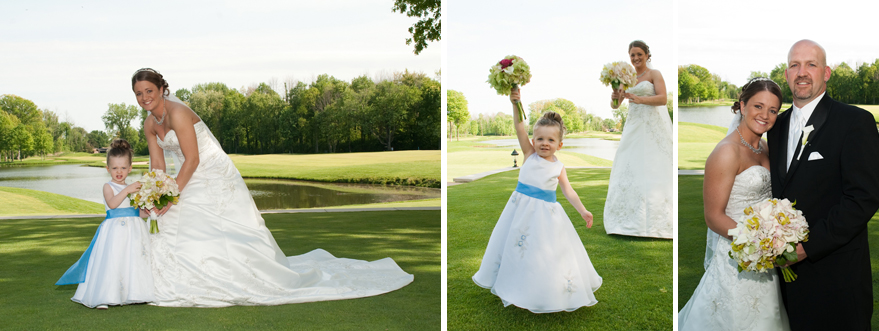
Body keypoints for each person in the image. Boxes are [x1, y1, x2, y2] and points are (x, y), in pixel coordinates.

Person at [133, 68, 414, 307]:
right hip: (187, 174)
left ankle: (228, 276)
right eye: (138, 93)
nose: (145, 97)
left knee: (209, 223)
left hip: (212, 173)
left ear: (162, 89)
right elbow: (157, 165)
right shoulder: (149, 124)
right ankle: (176, 279)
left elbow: (193, 159)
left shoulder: (179, 113)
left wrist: (171, 196)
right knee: (169, 221)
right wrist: (155, 194)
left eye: (149, 91)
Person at [768, 40, 879, 331]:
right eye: (795, 65)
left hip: (837, 279)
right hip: (784, 284)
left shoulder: (855, 121)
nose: (802, 72)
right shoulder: (775, 127)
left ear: (826, 73)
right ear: (786, 74)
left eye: (811, 64)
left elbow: (863, 199)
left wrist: (807, 247)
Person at [471, 87, 602, 313]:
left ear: (559, 144)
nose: (544, 143)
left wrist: (583, 210)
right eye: (540, 139)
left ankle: (545, 290)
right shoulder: (529, 154)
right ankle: (515, 285)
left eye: (550, 140)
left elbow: (569, 192)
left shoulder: (559, 167)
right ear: (533, 140)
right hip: (518, 212)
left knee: (543, 252)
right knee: (517, 248)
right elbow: (519, 127)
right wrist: (515, 103)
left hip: (546, 218)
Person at [677, 78, 790, 330]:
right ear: (742, 105)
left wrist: (776, 236)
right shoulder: (726, 151)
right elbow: (713, 216)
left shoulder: (765, 148)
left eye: (773, 110)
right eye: (758, 106)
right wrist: (757, 243)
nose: (765, 116)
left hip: (765, 258)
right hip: (737, 255)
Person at [56, 139, 155, 309]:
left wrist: (151, 211)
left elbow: (135, 212)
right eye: (115, 168)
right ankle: (104, 296)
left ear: (130, 168)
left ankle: (135, 293)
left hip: (134, 231)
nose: (119, 172)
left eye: (123, 168)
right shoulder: (108, 187)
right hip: (114, 231)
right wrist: (128, 190)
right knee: (112, 261)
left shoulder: (133, 189)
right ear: (108, 168)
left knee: (132, 260)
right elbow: (113, 204)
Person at [603, 40, 673, 239]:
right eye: (632, 55)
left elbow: (663, 99)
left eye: (639, 54)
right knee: (628, 165)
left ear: (647, 55)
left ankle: (657, 220)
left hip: (652, 127)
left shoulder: (654, 74)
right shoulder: (626, 78)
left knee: (654, 167)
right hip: (633, 127)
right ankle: (627, 219)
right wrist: (615, 96)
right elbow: (616, 105)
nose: (635, 58)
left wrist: (640, 99)